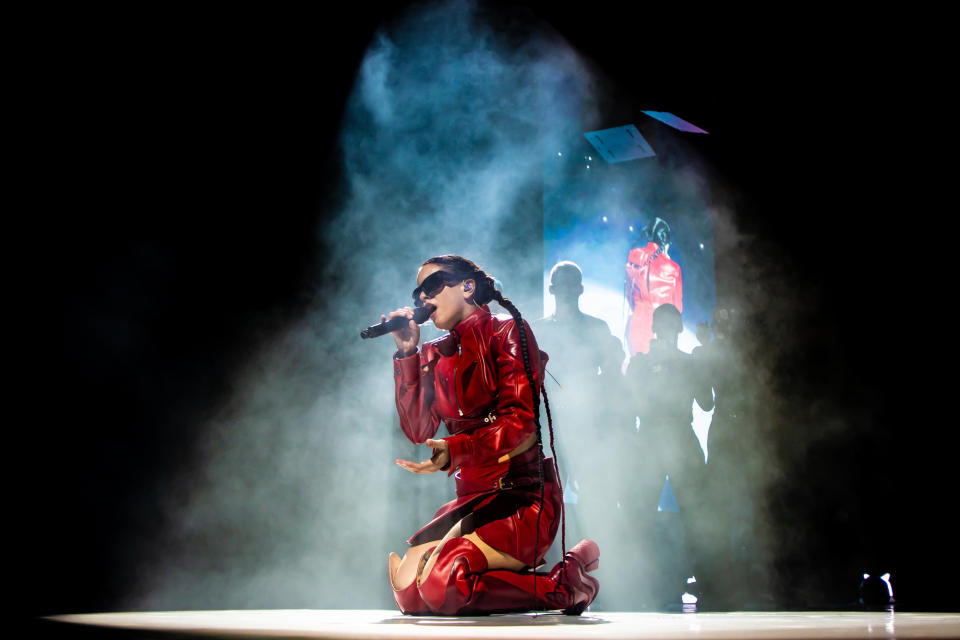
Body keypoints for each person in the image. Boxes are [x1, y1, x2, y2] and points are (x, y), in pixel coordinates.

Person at [384, 255, 600, 616]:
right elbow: (418, 429)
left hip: (520, 501)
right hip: (473, 502)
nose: (423, 297)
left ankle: (563, 587)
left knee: (443, 582)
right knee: (408, 590)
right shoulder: (434, 353)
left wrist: (457, 448)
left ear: (467, 286)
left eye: (433, 285)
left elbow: (521, 424)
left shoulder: (507, 331)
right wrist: (407, 354)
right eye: (418, 290)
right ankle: (541, 581)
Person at [625, 217, 683, 356]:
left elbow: (630, 295)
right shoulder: (674, 268)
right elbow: (678, 309)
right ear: (666, 242)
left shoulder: (633, 256)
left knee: (638, 372)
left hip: (636, 327)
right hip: (661, 333)